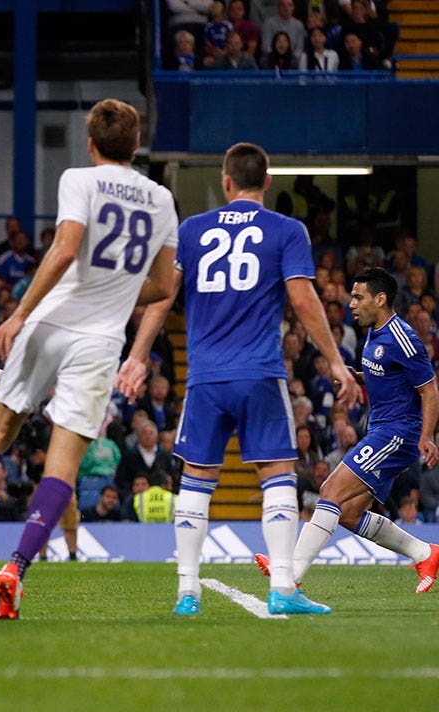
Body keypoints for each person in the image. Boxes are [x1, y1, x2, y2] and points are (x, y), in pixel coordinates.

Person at [0, 99, 179, 621]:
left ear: (91, 144)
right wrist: (118, 289)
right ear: (136, 146)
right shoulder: (160, 200)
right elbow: (161, 286)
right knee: (63, 464)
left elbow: (65, 249)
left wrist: (19, 314)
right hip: (100, 340)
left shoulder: (79, 179)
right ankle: (15, 570)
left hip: (51, 320)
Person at [119, 141, 357, 617]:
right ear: (267, 181)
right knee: (276, 476)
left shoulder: (192, 230)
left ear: (226, 182)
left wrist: (138, 356)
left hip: (205, 377)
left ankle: (187, 591)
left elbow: (163, 298)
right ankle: (284, 586)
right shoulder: (287, 230)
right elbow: (304, 300)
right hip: (259, 374)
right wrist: (333, 359)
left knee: (197, 482)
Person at [256, 269, 439, 595]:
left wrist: (426, 437)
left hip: (399, 433)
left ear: (380, 299)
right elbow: (390, 376)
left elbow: (429, 390)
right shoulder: (374, 332)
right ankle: (425, 554)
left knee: (330, 491)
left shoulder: (402, 337)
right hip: (382, 430)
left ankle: (290, 574)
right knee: (350, 514)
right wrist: (357, 375)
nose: (351, 304)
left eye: (358, 297)